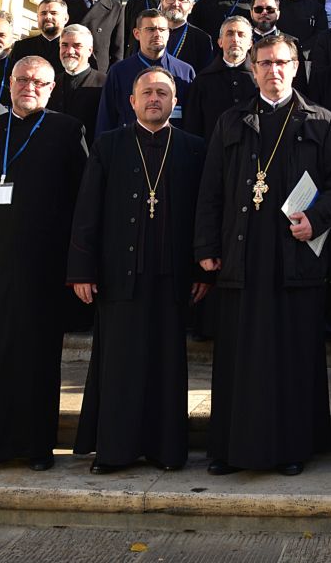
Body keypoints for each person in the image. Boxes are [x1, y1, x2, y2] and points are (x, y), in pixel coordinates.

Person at [195, 34, 331, 476]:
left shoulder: (320, 121)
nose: (273, 71)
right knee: (239, 357)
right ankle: (229, 449)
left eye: (281, 63)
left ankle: (292, 448)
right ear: (253, 68)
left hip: (295, 255)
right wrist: (207, 248)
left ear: (295, 67)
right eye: (264, 63)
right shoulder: (232, 121)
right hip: (241, 254)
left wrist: (317, 218)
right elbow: (210, 190)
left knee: (291, 355)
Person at [68, 67, 208, 473]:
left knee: (167, 366)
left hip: (171, 277)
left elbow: (203, 213)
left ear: (174, 102)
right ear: (131, 101)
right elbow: (87, 211)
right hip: (118, 274)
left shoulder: (193, 148)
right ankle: (115, 451)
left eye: (163, 93)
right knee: (119, 365)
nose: (154, 99)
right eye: (146, 92)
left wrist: (204, 271)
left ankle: (167, 450)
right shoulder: (108, 146)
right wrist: (81, 268)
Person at [0, 56, 87, 471]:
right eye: (22, 79)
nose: (29, 86)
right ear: (10, 84)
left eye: (38, 81)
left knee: (37, 355)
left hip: (44, 261)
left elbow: (79, 197)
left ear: (51, 88)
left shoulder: (67, 131)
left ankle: (36, 446)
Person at [95, 9, 196, 136]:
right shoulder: (119, 71)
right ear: (137, 34)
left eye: (162, 29)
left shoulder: (185, 72)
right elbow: (106, 117)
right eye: (151, 29)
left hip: (172, 146)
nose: (157, 34)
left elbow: (192, 120)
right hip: (128, 145)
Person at [182, 17, 258, 138]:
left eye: (241, 35)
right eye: (230, 34)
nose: (235, 39)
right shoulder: (203, 80)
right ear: (220, 42)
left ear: (250, 43)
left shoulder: (260, 78)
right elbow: (192, 126)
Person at [66, 0, 129, 71]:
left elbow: (117, 52)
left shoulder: (117, 9)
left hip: (99, 76)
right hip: (71, 70)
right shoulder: (66, 5)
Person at [49, 24, 105, 140]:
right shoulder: (50, 82)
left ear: (90, 51)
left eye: (77, 46)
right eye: (64, 45)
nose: (69, 51)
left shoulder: (105, 83)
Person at [159, 0, 214, 71]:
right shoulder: (150, 32)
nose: (175, 4)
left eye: (181, 0)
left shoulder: (202, 39)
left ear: (191, 7)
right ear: (162, 3)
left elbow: (204, 77)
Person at [9, 0, 68, 76]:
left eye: (53, 13)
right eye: (43, 13)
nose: (48, 17)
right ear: (37, 18)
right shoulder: (21, 47)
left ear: (65, 18)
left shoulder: (72, 48)